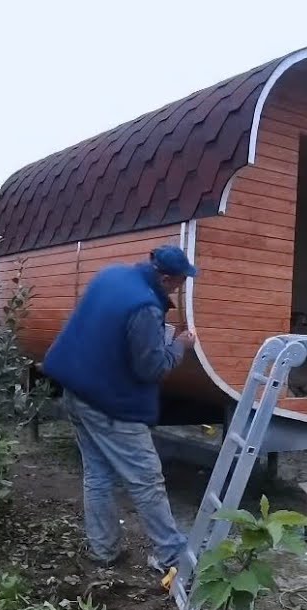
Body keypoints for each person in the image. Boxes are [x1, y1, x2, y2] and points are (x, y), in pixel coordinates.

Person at [42, 245, 198, 574]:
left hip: (75, 391)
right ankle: (171, 556)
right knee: (146, 479)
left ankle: (104, 550)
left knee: (98, 474)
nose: (181, 288)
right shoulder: (144, 306)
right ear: (166, 278)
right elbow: (150, 369)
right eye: (181, 281)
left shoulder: (111, 274)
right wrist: (179, 346)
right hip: (108, 403)